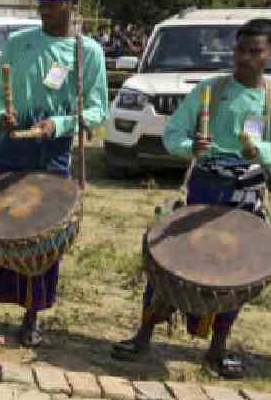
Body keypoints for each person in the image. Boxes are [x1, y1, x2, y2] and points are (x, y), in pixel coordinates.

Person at [112, 19, 271, 379]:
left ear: (268, 53)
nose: (245, 58)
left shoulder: (270, 98)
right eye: (240, 50)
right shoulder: (209, 91)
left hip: (245, 195)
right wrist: (190, 146)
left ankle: (217, 349)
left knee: (233, 273)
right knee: (172, 262)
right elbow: (173, 134)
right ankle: (144, 335)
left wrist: (259, 149)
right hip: (205, 186)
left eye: (255, 51)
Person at [0, 0, 109, 348]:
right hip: (12, 149)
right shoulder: (19, 42)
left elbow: (96, 111)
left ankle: (31, 316)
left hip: (52, 155)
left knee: (43, 239)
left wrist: (58, 124)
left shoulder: (86, 52)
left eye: (55, 4)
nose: (45, 8)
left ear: (74, 6)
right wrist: (1, 116)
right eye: (43, 1)